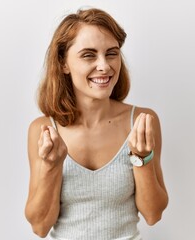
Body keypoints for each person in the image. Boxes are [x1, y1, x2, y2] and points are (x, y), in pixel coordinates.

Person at [25, 7, 169, 240]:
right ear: (63, 63)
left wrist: (142, 159)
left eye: (111, 53)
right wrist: (52, 167)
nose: (104, 66)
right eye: (89, 55)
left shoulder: (142, 121)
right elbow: (40, 226)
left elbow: (153, 214)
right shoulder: (43, 130)